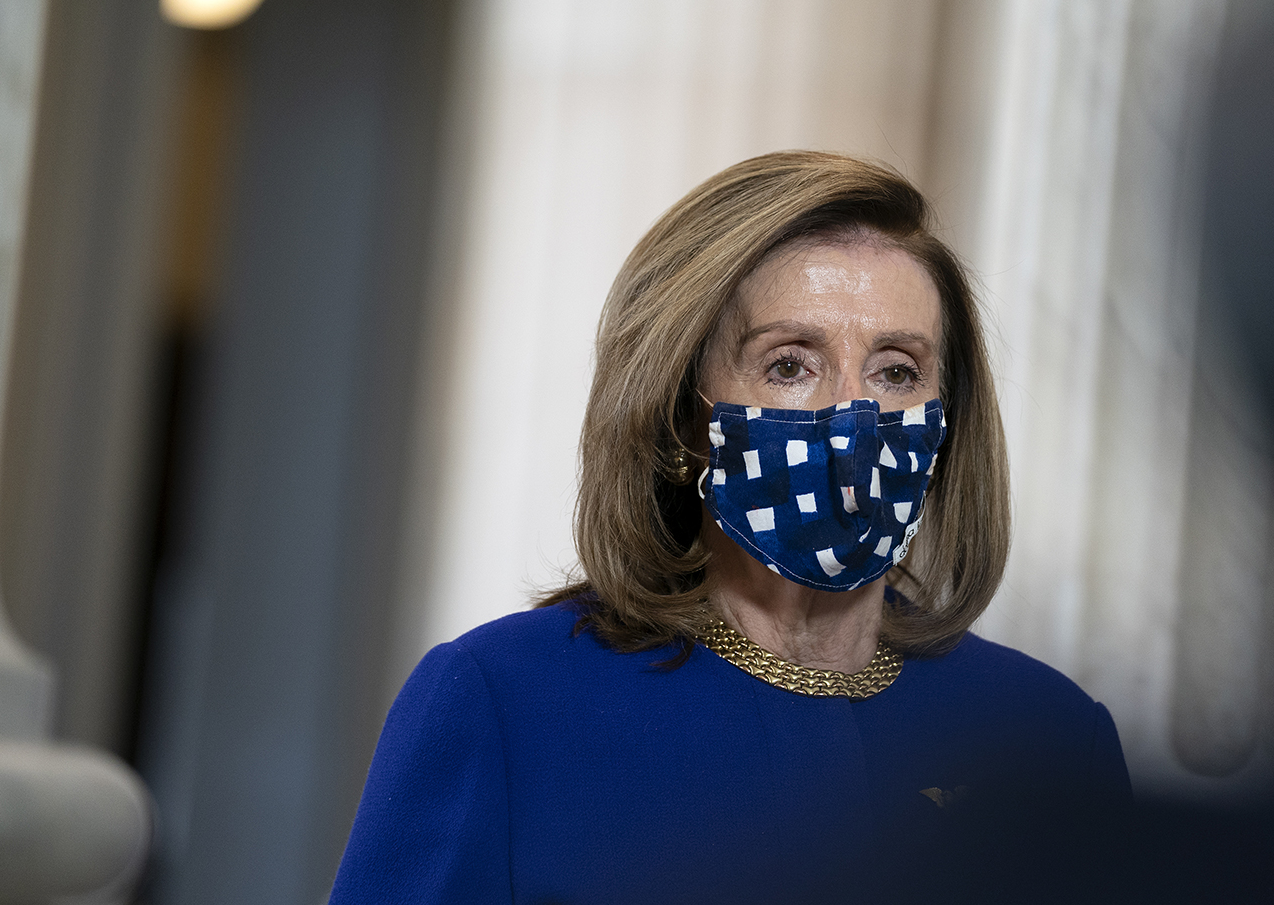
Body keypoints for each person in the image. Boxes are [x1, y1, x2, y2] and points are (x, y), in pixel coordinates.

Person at [328, 151, 1131, 904]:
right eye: (790, 363)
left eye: (896, 370)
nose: (852, 415)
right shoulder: (506, 703)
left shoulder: (1050, 738)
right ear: (684, 418)